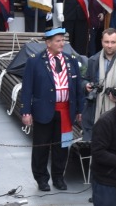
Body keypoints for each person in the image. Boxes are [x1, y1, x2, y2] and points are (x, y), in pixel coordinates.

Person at [20, 28, 86, 192]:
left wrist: (79, 110)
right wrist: (26, 111)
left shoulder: (71, 60)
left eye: (63, 40)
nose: (62, 43)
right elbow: (27, 88)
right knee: (41, 147)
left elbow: (78, 88)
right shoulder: (35, 61)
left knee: (62, 147)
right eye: (58, 40)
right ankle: (41, 178)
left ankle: (58, 177)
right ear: (48, 43)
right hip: (44, 112)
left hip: (65, 112)